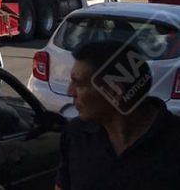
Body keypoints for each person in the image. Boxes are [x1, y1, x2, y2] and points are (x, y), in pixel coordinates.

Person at [56, 40, 180, 190]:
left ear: (115, 91)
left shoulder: (173, 142)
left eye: (79, 84)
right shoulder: (75, 134)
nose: (70, 92)